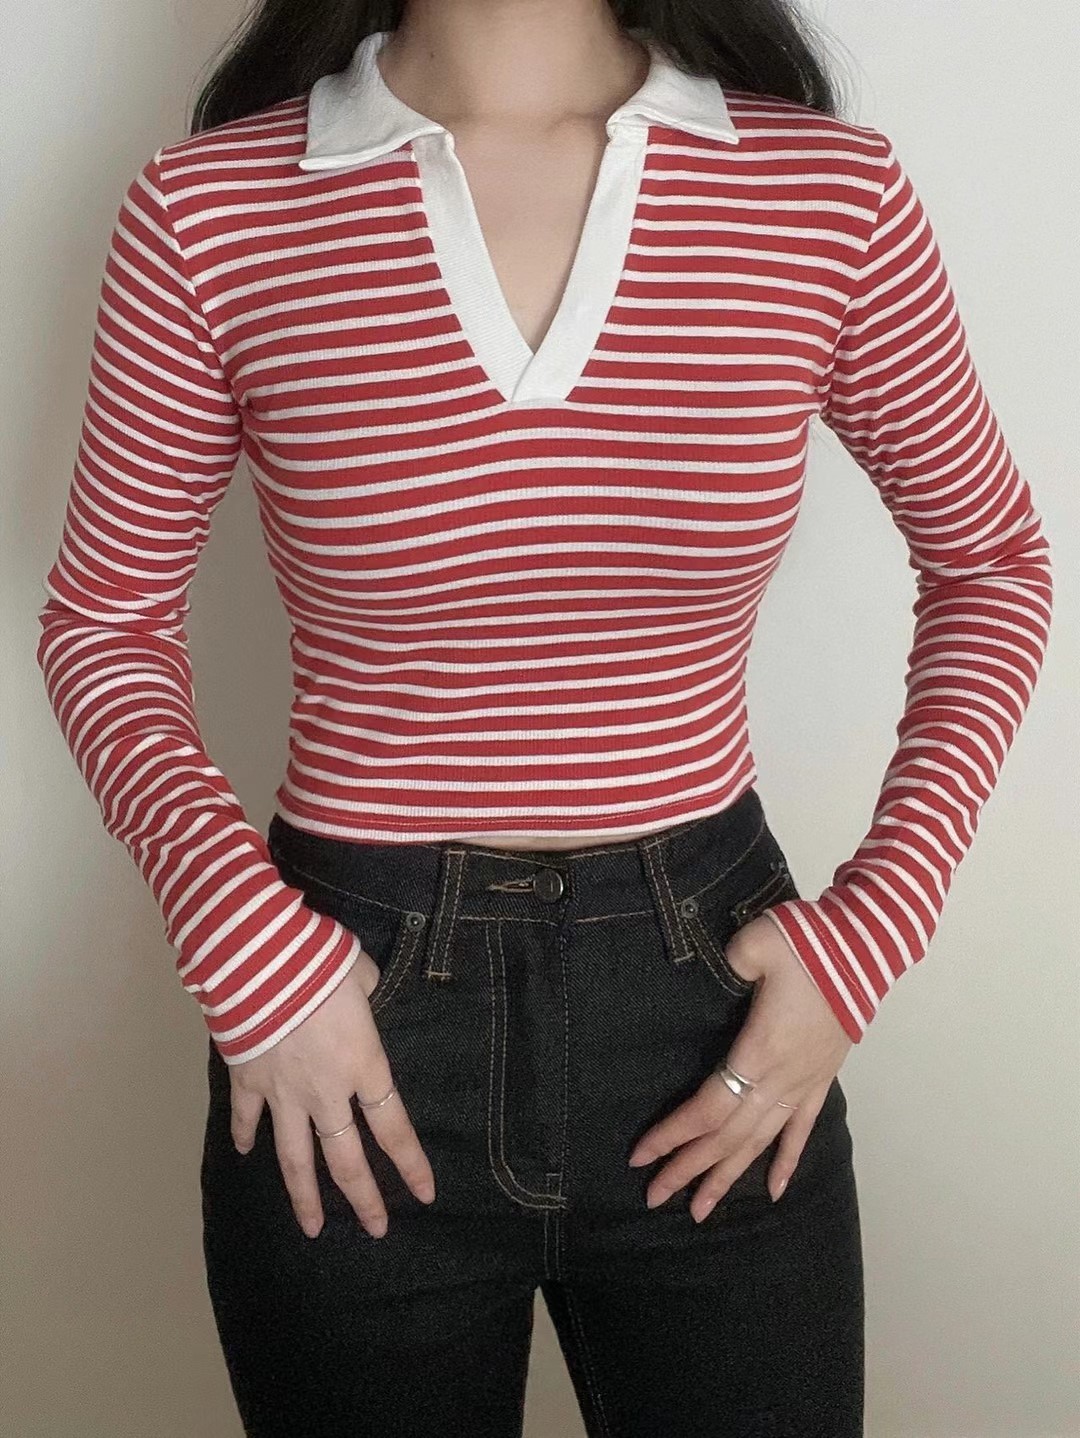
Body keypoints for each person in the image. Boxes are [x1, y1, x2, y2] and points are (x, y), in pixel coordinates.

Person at [35, 2, 1053, 1434]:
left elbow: (992, 562)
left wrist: (868, 937)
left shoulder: (826, 192)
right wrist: (249, 953)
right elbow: (105, 623)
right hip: (343, 1016)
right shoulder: (210, 210)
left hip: (716, 1010)